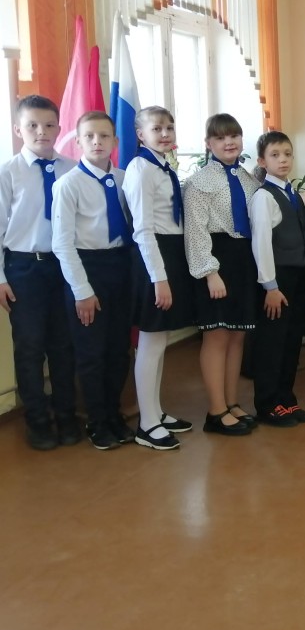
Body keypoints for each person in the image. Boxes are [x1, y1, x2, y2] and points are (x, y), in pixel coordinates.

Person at [51, 112, 134, 450]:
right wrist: (82, 291)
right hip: (88, 270)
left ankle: (114, 413)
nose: (97, 142)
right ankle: (97, 421)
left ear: (115, 141)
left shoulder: (125, 179)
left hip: (121, 267)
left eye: (104, 136)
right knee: (91, 351)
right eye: (89, 136)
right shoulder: (68, 184)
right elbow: (62, 243)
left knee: (118, 349)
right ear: (78, 141)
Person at [0, 95, 78, 450]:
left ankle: (66, 414)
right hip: (24, 267)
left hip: (63, 265)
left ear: (59, 128)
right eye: (32, 125)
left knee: (63, 345)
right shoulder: (8, 173)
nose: (41, 132)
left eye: (48, 125)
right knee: (30, 347)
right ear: (18, 130)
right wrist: (2, 278)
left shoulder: (71, 169)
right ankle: (37, 419)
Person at [123, 106, 195, 450]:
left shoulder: (163, 166)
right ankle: (147, 424)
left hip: (170, 252)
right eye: (157, 128)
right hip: (154, 258)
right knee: (151, 341)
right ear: (141, 135)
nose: (165, 134)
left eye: (169, 127)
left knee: (160, 340)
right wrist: (159, 278)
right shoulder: (140, 169)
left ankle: (156, 411)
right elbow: (142, 229)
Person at [183, 113, 259, 437]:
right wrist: (210, 272)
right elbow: (195, 231)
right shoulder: (199, 182)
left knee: (237, 334)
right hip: (217, 260)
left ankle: (231, 402)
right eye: (220, 137)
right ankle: (216, 411)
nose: (229, 142)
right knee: (217, 335)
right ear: (208, 144)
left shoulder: (249, 179)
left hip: (243, 259)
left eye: (234, 136)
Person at [249, 131, 305, 428]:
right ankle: (267, 404)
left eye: (287, 154)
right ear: (263, 161)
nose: (283, 160)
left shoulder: (292, 193)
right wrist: (270, 286)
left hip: (299, 276)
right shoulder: (264, 196)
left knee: (291, 341)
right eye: (275, 155)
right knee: (272, 343)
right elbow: (261, 244)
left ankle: (286, 398)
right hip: (277, 280)